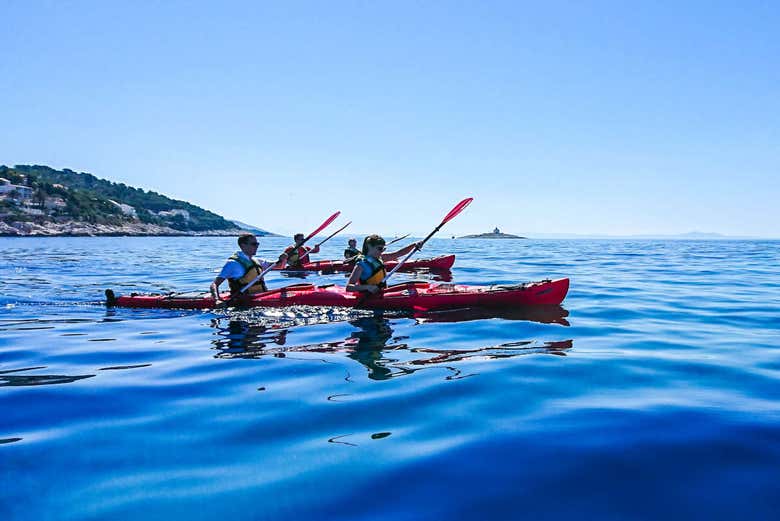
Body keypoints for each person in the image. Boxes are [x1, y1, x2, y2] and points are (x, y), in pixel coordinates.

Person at [210, 233, 287, 302]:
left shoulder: (257, 261)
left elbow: (280, 266)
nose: (257, 246)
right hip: (243, 302)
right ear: (243, 245)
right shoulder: (233, 264)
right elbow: (214, 284)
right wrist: (217, 300)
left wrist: (283, 259)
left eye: (257, 244)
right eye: (254, 244)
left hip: (260, 296)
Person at [346, 234, 421, 294]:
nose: (382, 251)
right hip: (369, 296)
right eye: (380, 249)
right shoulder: (361, 265)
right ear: (369, 247)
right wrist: (368, 287)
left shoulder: (380, 258)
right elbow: (349, 287)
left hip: (382, 292)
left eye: (383, 249)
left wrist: (414, 245)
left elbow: (398, 254)